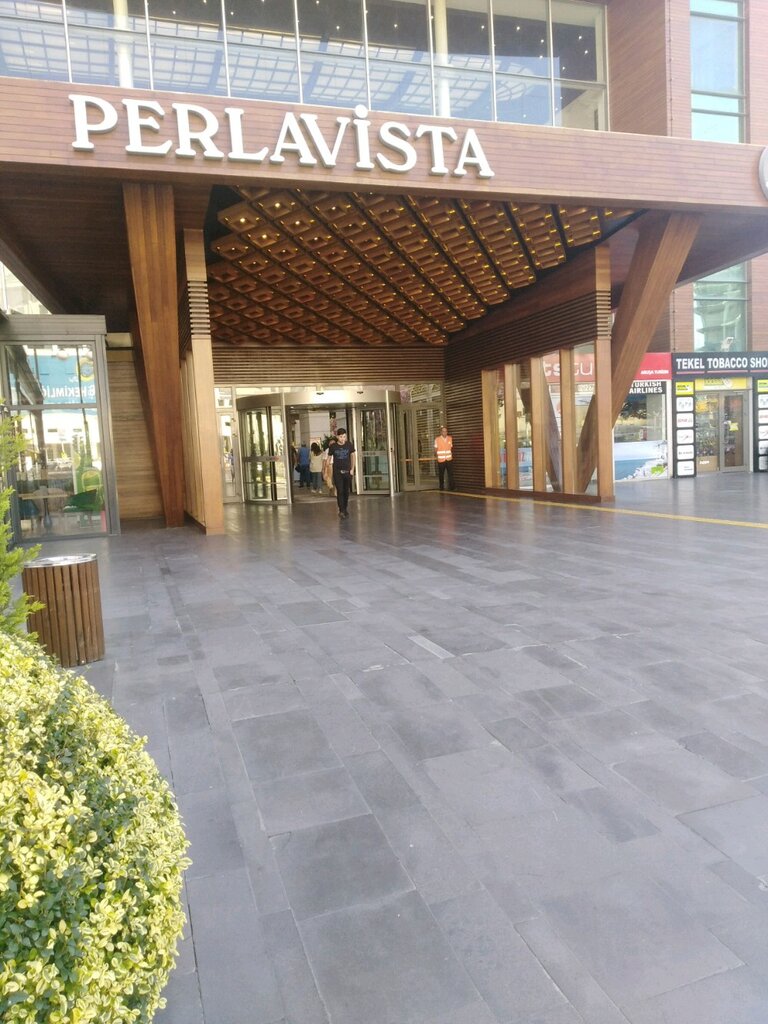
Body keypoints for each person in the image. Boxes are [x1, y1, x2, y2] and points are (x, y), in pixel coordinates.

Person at [327, 427, 355, 518]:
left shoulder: (349, 445)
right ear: (337, 437)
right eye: (341, 437)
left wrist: (352, 469)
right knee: (340, 490)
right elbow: (328, 458)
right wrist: (327, 468)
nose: (343, 439)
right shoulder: (333, 446)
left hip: (347, 471)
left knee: (346, 491)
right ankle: (341, 510)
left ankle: (345, 508)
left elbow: (353, 456)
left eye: (344, 437)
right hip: (337, 472)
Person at [434, 424, 455, 490]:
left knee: (450, 474)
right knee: (441, 474)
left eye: (446, 431)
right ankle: (441, 487)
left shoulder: (450, 438)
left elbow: (451, 448)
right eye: (443, 431)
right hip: (441, 460)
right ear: (441, 432)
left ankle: (452, 487)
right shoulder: (437, 439)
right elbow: (435, 449)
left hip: (449, 459)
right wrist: (438, 456)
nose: (445, 433)